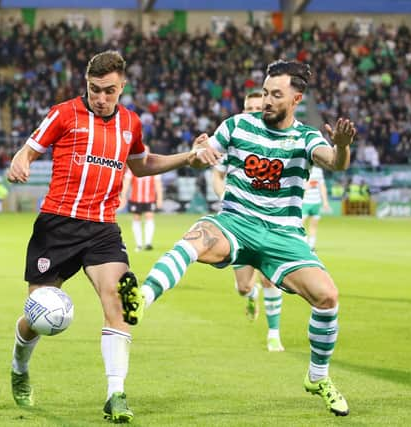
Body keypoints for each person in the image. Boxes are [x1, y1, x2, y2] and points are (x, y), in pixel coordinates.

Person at [120, 60, 356, 417]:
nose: (266, 101)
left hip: (283, 235)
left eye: (276, 95)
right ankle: (141, 297)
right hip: (236, 222)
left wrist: (340, 147)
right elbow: (204, 156)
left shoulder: (306, 137)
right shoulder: (237, 125)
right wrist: (200, 153)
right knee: (196, 237)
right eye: (264, 92)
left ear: (296, 99)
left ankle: (317, 376)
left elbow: (335, 163)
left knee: (328, 297)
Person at [6, 50, 219, 423]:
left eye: (108, 91)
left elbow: (141, 164)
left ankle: (115, 394)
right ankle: (19, 367)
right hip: (57, 225)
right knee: (38, 318)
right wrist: (20, 161)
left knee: (119, 304)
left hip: (103, 228)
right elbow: (29, 149)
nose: (100, 98)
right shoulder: (64, 113)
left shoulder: (130, 123)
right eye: (94, 90)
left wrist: (189, 156)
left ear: (122, 88)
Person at [211, 90, 284, 351]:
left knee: (270, 279)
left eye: (258, 107)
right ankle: (250, 295)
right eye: (249, 108)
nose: (254, 112)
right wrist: (225, 196)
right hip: (239, 222)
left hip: (269, 222)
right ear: (243, 111)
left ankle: (274, 333)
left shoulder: (278, 142)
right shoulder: (234, 142)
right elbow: (217, 176)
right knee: (244, 286)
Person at [119, 165, 163, 251]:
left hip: (149, 199)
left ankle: (148, 243)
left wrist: (160, 198)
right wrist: (123, 196)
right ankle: (139, 244)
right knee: (136, 218)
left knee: (149, 216)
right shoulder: (133, 169)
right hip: (136, 199)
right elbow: (126, 183)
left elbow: (158, 184)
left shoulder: (153, 168)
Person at [302, 166, 331, 251]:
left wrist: (325, 201)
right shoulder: (302, 169)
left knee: (314, 224)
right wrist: (304, 187)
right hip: (305, 202)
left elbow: (322, 186)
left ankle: (312, 245)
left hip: (316, 202)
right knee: (300, 224)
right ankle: (304, 242)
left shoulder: (318, 170)